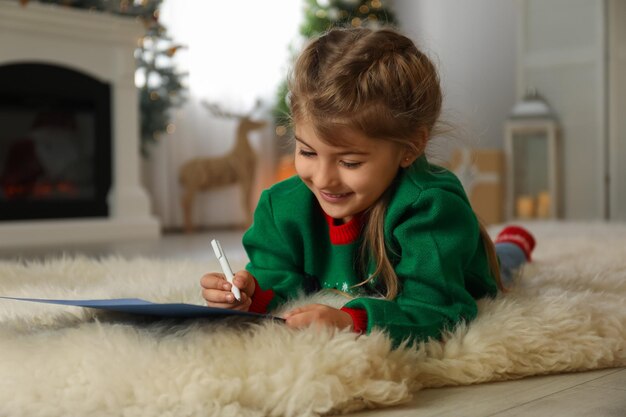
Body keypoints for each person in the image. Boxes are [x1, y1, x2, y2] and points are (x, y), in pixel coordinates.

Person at [200, 27, 535, 346]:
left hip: (455, 263)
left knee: (504, 264)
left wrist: (351, 322)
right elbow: (277, 272)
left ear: (409, 148)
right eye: (307, 152)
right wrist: (248, 291)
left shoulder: (431, 208)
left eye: (349, 162)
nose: (324, 178)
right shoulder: (282, 205)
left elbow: (437, 310)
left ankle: (512, 243)